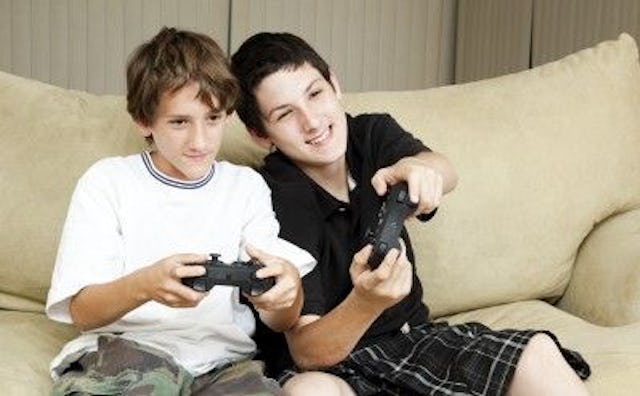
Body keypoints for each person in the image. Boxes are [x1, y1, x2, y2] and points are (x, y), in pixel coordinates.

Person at [231, 32, 592, 395]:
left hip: (414, 343)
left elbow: (443, 169)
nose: (312, 122)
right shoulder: (272, 198)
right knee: (309, 392)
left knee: (538, 353)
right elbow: (308, 352)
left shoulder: (369, 133)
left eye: (315, 94)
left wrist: (419, 170)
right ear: (262, 135)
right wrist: (366, 303)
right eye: (285, 114)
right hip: (335, 367)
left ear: (334, 84)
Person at [45, 27, 317, 396]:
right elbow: (83, 313)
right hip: (126, 353)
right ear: (144, 121)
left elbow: (280, 315)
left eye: (213, 119)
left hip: (224, 364)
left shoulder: (246, 188)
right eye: (179, 122)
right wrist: (145, 285)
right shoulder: (108, 181)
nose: (201, 141)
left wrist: (287, 293)